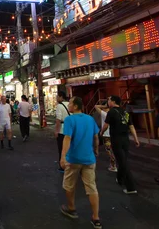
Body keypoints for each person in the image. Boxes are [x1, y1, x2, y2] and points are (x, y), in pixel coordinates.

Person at [59, 97, 101, 228]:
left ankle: (71, 209)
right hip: (89, 159)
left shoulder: (69, 120)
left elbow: (67, 138)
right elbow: (95, 136)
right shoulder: (90, 119)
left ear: (76, 106)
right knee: (91, 187)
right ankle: (96, 217)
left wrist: (63, 157)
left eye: (70, 103)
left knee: (69, 185)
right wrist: (96, 149)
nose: (69, 105)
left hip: (73, 159)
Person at [102, 95, 140, 194]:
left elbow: (106, 125)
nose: (108, 101)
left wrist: (101, 133)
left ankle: (131, 187)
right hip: (125, 139)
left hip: (116, 139)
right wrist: (136, 139)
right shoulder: (125, 112)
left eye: (109, 100)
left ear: (113, 101)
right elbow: (131, 126)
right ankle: (120, 179)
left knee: (123, 162)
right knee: (122, 159)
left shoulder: (111, 112)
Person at [93, 100, 116, 172]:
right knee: (114, 150)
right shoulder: (114, 113)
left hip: (106, 134)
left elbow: (96, 106)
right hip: (114, 134)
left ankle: (113, 166)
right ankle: (115, 164)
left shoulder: (104, 114)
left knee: (109, 150)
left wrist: (105, 106)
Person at [55, 91, 71, 172]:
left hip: (62, 130)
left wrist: (56, 131)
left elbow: (58, 120)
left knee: (62, 149)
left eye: (57, 96)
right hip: (71, 129)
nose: (56, 98)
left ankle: (63, 166)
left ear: (61, 97)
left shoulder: (59, 106)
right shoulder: (70, 104)